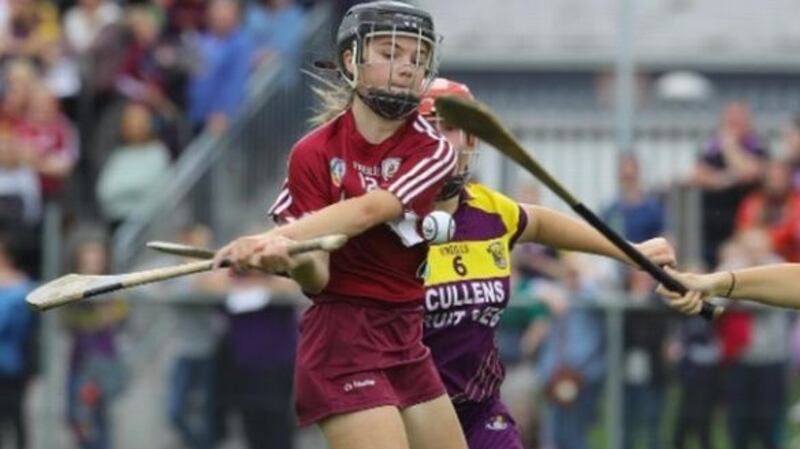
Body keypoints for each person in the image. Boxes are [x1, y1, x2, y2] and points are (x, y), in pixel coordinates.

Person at [213, 3, 467, 449]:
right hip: (342, 342)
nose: (407, 67)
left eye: (418, 58)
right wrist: (291, 259)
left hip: (406, 338)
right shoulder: (311, 154)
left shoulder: (432, 150)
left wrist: (276, 237)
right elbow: (319, 277)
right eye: (391, 53)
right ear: (352, 60)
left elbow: (372, 210)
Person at [416, 78, 676, 449]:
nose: (440, 138)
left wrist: (628, 250)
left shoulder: (492, 210)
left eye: (450, 128)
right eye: (428, 127)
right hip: (411, 408)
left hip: (479, 407)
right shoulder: (392, 218)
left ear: (471, 139)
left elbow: (539, 223)